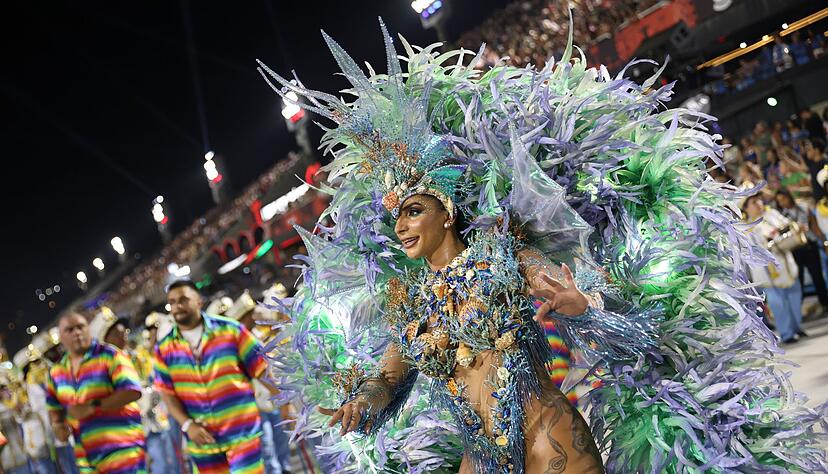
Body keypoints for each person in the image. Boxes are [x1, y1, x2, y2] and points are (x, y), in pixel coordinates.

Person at [259, 21, 828, 473]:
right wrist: (364, 403)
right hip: (480, 457)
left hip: (547, 438)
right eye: (396, 218)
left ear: (446, 209)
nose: (403, 227)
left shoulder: (501, 253)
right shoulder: (408, 303)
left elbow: (596, 313)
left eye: (413, 211)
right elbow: (390, 377)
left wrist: (587, 308)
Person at [154, 280, 269, 474]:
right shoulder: (163, 349)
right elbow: (168, 394)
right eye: (172, 302)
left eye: (183, 299)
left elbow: (262, 369)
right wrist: (188, 425)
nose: (177, 306)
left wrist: (287, 404)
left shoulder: (231, 330)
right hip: (202, 442)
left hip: (242, 434)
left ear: (198, 301)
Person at [45, 312, 146, 473]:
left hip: (123, 450)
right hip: (86, 459)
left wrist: (92, 406)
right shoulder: (56, 373)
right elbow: (54, 406)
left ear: (88, 329)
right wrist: (58, 425)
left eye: (80, 327)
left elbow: (132, 391)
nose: (76, 332)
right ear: (61, 338)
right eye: (69, 330)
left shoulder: (109, 354)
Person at [227, 291, 292, 474]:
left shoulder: (253, 337)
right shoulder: (238, 343)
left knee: (281, 454)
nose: (253, 318)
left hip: (269, 403)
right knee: (269, 457)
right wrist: (283, 399)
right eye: (249, 315)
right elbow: (261, 375)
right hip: (255, 407)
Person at [743, 195, 805, 343]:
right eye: (753, 202)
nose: (758, 203)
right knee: (778, 303)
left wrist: (796, 229)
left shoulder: (772, 215)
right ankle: (787, 333)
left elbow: (788, 226)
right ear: (745, 208)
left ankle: (796, 327)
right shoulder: (745, 228)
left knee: (795, 298)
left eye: (759, 200)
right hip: (767, 271)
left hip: (786, 264)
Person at [774, 188, 828, 314]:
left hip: (809, 244)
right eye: (779, 201)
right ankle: (798, 309)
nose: (782, 203)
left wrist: (822, 240)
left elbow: (814, 226)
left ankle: (825, 303)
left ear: (789, 196)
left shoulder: (803, 207)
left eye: (784, 199)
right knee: (799, 279)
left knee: (817, 275)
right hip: (795, 249)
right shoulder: (780, 216)